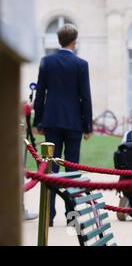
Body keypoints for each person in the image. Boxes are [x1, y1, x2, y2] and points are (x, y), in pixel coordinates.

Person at [33, 24, 93, 227]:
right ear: (75, 41)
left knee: (51, 170)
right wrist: (88, 126)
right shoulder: (81, 64)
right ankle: (71, 216)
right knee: (72, 170)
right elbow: (85, 97)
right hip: (74, 122)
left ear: (58, 40)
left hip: (51, 120)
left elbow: (40, 94)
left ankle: (48, 216)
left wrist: (38, 122)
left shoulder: (46, 62)